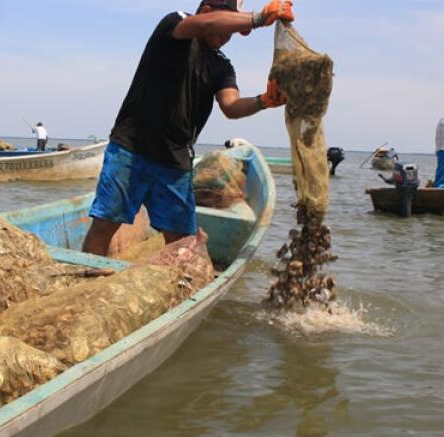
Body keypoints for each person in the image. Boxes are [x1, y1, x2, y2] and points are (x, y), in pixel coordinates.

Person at [81, 0, 294, 256]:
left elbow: (231, 106)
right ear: (206, 11)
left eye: (231, 34)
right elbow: (206, 24)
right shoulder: (176, 24)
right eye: (226, 29)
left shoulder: (222, 65)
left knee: (183, 242)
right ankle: (89, 274)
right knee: (104, 224)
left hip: (174, 161)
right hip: (131, 149)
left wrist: (263, 101)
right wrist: (258, 18)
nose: (228, 38)